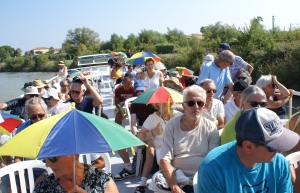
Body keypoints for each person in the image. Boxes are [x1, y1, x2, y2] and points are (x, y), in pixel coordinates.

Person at [198, 108, 299, 193]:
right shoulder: (213, 169)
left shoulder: (280, 163)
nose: (280, 151)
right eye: (272, 147)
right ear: (248, 147)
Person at [160, 85, 219, 193]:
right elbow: (164, 159)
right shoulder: (172, 125)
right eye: (191, 103)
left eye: (200, 103)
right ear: (184, 106)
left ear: (204, 106)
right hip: (177, 179)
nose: (196, 107)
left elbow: (212, 161)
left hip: (202, 180)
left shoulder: (211, 128)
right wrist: (174, 186)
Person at [135, 103, 182, 193]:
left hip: (178, 146)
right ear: (157, 104)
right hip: (162, 148)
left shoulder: (178, 116)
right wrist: (153, 132)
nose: (165, 103)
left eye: (167, 101)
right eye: (162, 102)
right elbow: (140, 136)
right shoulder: (152, 118)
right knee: (164, 162)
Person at [114, 80, 154, 182]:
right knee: (119, 140)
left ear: (146, 88)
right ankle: (128, 166)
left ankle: (138, 170)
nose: (140, 93)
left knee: (147, 144)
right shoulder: (135, 104)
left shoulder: (154, 102)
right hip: (142, 129)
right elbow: (133, 123)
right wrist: (136, 134)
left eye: (142, 90)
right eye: (138, 91)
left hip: (154, 129)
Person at [33, 155, 119, 193]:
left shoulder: (102, 180)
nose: (47, 164)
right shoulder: (43, 187)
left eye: (53, 158)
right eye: (45, 158)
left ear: (75, 155)